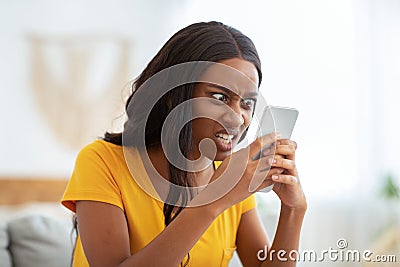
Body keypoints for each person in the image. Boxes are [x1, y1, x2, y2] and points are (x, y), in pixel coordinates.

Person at [61, 21, 307, 267]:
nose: (237, 117)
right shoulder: (102, 161)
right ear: (172, 95)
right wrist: (215, 198)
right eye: (220, 97)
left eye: (247, 103)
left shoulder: (232, 177)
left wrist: (293, 209)